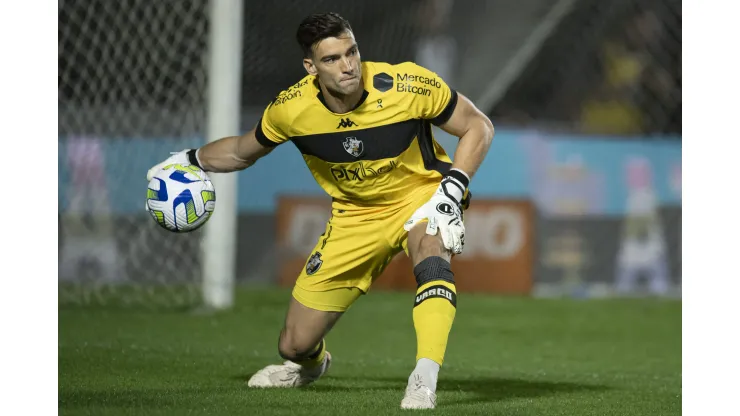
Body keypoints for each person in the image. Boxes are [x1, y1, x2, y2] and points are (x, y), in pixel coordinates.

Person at [146, 12, 494, 409]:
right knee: (293, 343)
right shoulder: (291, 110)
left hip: (422, 195)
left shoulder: (408, 84)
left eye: (352, 52)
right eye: (332, 59)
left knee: (432, 253)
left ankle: (423, 378)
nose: (347, 66)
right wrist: (191, 159)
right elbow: (243, 152)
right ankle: (310, 365)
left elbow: (478, 127)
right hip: (354, 216)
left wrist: (452, 190)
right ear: (311, 67)